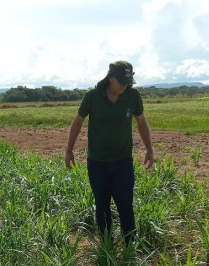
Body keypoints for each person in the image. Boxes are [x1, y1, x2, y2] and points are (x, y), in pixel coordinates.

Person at [65, 60, 155, 244]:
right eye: (121, 81)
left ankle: (130, 238)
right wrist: (69, 150)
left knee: (125, 202)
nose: (125, 85)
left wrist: (149, 149)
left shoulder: (133, 96)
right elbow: (77, 122)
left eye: (128, 81)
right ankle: (107, 239)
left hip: (123, 160)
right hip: (97, 161)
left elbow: (141, 122)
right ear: (110, 78)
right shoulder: (92, 96)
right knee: (102, 203)